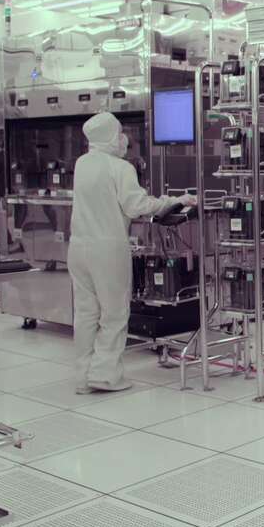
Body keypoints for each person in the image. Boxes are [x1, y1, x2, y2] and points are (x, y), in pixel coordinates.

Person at [69, 112, 196, 393]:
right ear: (112, 137)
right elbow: (136, 206)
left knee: (86, 313)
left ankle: (82, 377)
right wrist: (175, 200)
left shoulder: (82, 164)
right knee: (114, 313)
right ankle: (104, 376)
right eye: (120, 132)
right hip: (107, 248)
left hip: (78, 247)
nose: (124, 138)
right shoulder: (120, 168)